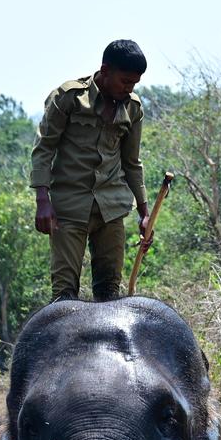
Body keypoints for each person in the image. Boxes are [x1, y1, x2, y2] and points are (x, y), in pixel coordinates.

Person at [30, 39, 151, 302]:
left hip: (111, 208)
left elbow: (132, 163)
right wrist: (42, 201)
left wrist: (145, 213)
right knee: (64, 295)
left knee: (109, 293)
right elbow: (43, 150)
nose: (129, 88)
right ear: (105, 71)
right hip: (69, 209)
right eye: (124, 81)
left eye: (134, 83)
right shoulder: (69, 98)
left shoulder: (133, 108)